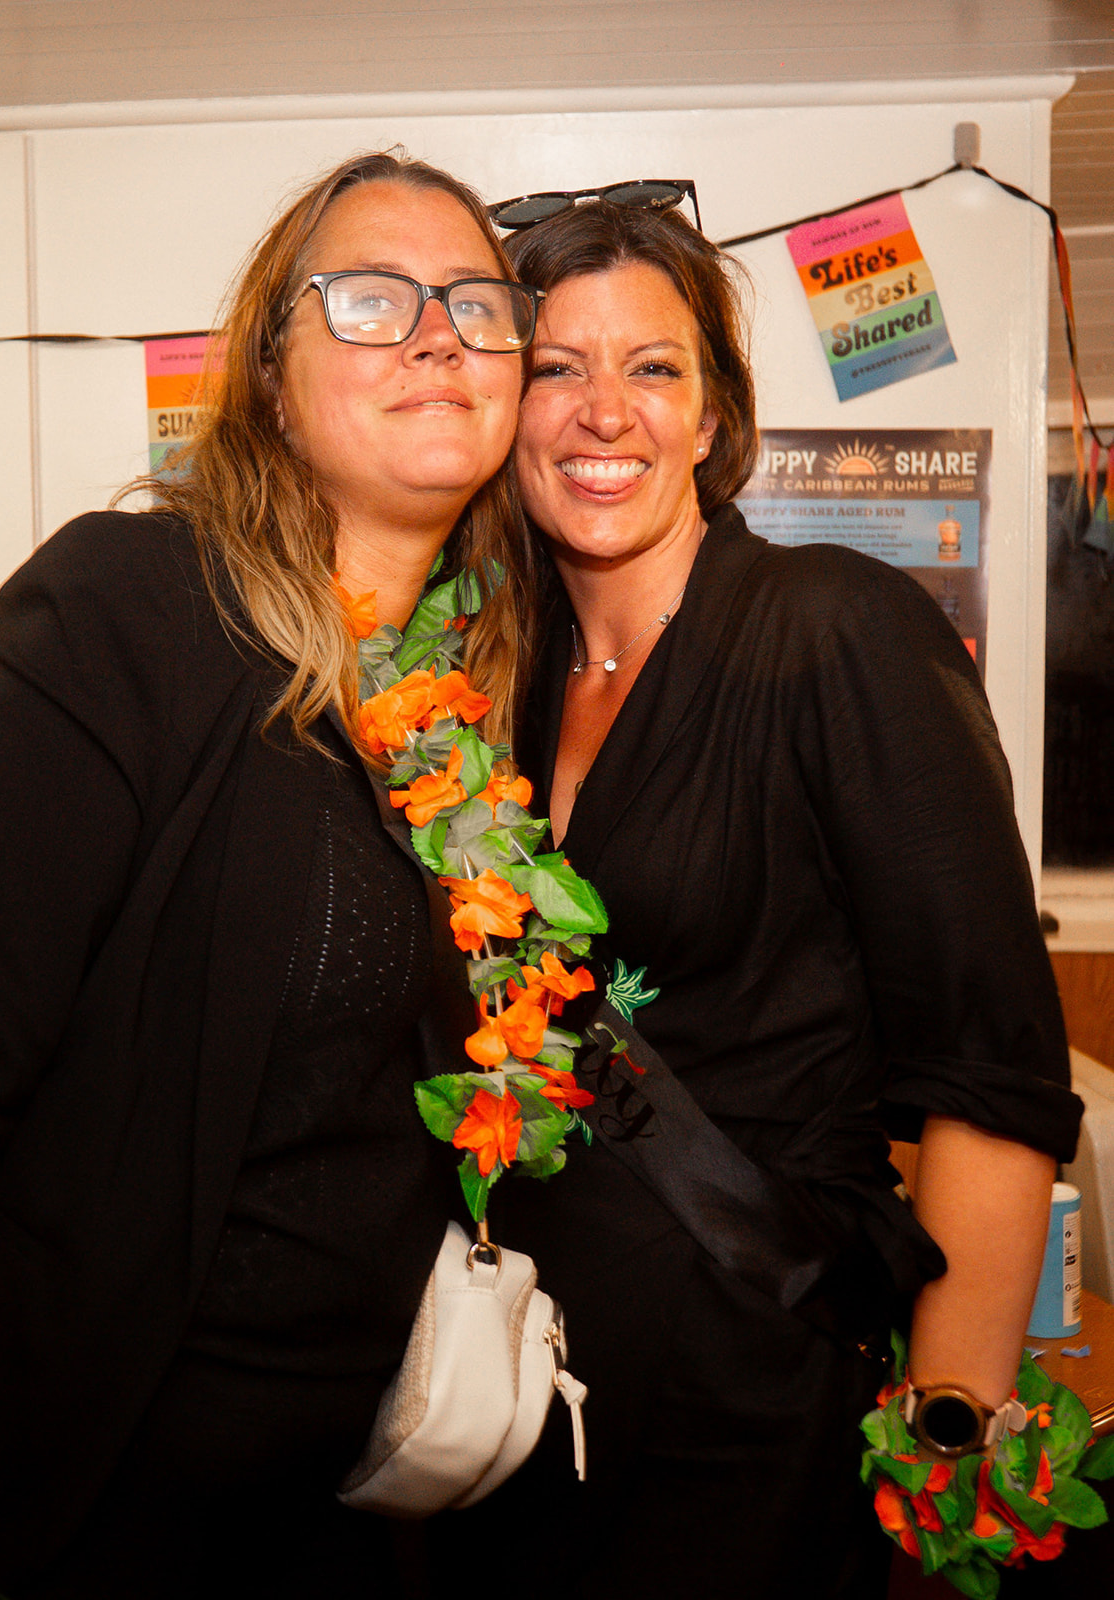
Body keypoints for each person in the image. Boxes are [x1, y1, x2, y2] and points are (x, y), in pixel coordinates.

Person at [0, 150, 541, 1599]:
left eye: (476, 303)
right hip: (90, 1516)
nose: (436, 333)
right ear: (271, 381)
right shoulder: (125, 611)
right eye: (370, 298)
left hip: (339, 1522)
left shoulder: (463, 709)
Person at [457, 186, 1083, 1597]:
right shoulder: (491, 683)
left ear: (711, 417)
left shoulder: (835, 629)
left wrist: (946, 1441)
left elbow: (993, 1070)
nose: (604, 411)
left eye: (653, 367)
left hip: (756, 1402)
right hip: (520, 1411)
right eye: (557, 368)